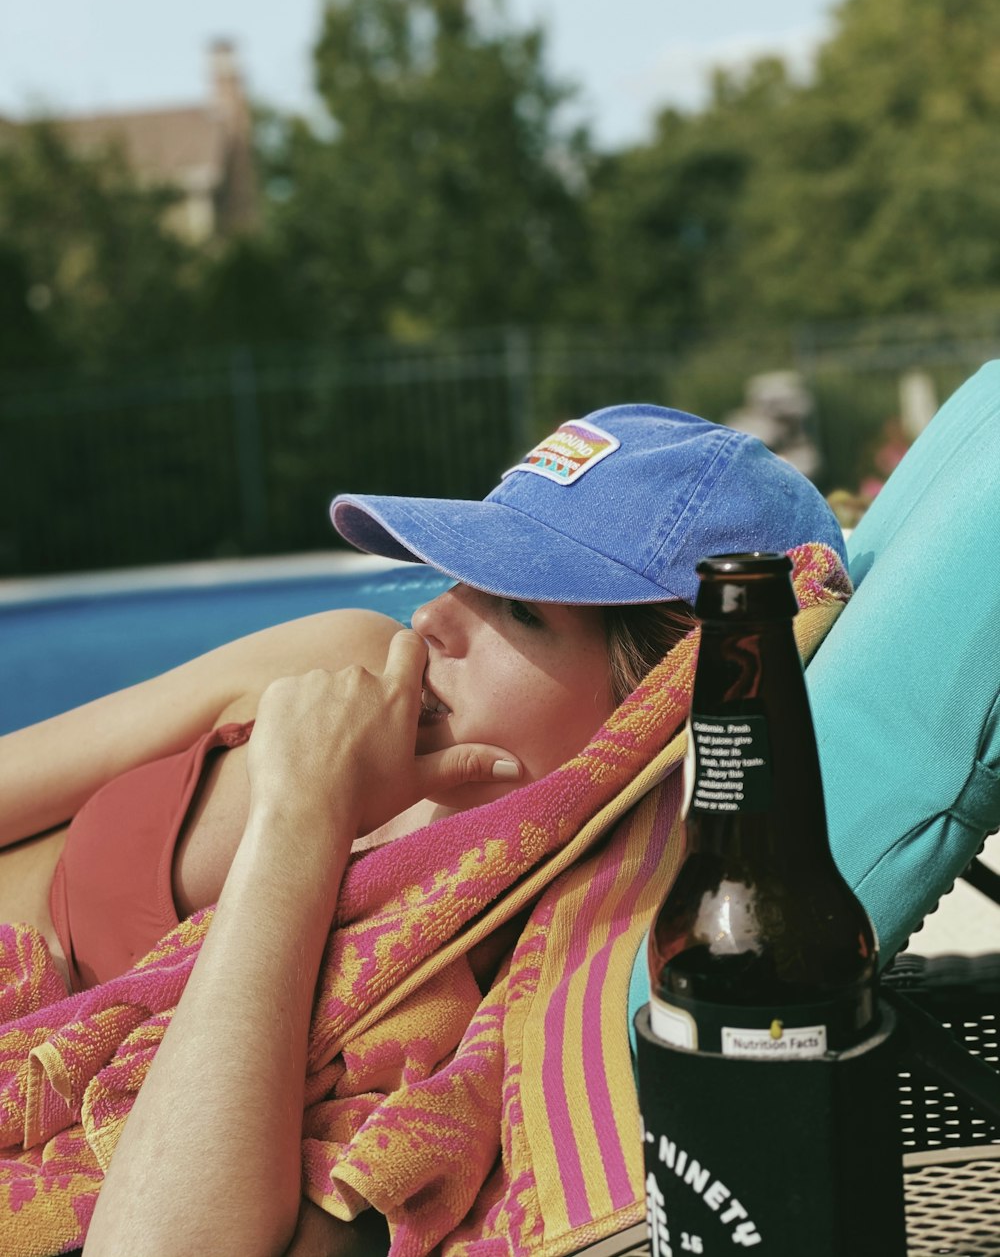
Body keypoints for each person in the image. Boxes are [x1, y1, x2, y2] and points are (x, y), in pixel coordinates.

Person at [0, 404, 846, 1257]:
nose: (433, 620)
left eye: (518, 607)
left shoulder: (469, 992)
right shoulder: (340, 663)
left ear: (648, 703)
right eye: (461, 572)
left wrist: (304, 815)